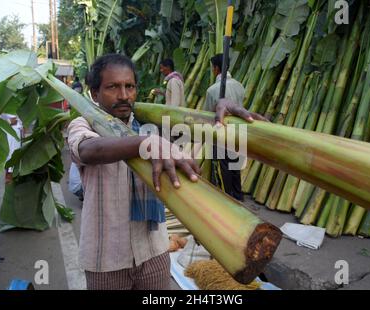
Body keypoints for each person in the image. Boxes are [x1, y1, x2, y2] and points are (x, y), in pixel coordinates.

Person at [67, 53, 262, 290]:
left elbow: (196, 126)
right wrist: (144, 144)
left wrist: (220, 110)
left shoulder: (151, 122)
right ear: (95, 93)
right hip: (106, 258)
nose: (124, 95)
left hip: (153, 251)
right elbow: (89, 150)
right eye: (113, 87)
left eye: (130, 86)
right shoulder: (83, 125)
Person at [203, 54, 252, 202]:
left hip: (222, 132)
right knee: (235, 165)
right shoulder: (239, 85)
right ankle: (238, 197)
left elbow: (207, 114)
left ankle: (228, 199)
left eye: (213, 68)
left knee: (223, 166)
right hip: (238, 131)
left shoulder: (212, 90)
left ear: (216, 68)